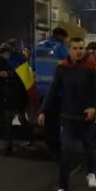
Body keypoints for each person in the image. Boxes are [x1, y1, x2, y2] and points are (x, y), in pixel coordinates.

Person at [38, 38, 96, 191]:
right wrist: (43, 110)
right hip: (68, 117)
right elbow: (53, 90)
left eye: (81, 48)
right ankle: (62, 189)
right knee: (66, 152)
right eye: (75, 48)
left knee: (89, 146)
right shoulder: (62, 68)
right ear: (69, 50)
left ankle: (90, 172)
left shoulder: (92, 67)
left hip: (86, 117)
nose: (79, 51)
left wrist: (95, 108)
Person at [32, 27, 69, 159]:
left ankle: (50, 148)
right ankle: (57, 150)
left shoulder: (37, 47)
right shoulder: (60, 48)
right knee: (56, 121)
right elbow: (70, 66)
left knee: (47, 120)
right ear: (62, 36)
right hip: (56, 91)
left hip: (41, 90)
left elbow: (33, 67)